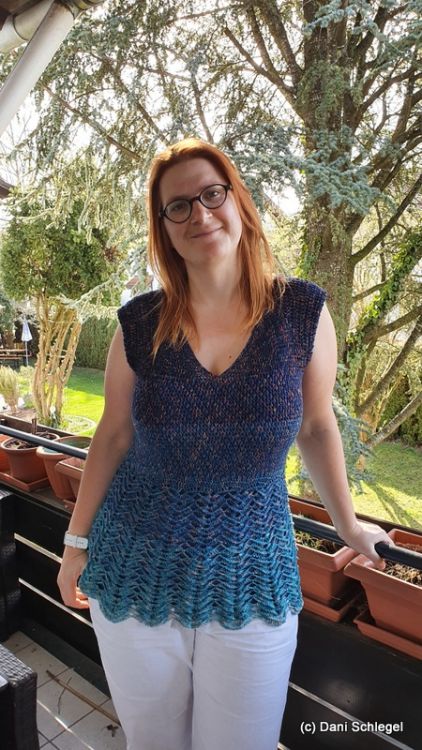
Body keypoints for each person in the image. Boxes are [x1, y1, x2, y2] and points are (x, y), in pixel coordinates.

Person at [57, 138, 392, 750]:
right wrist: (75, 543)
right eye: (178, 206)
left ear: (238, 202)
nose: (200, 213)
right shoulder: (139, 323)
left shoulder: (301, 313)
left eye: (213, 194)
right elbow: (113, 434)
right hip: (134, 568)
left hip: (253, 573)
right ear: (164, 228)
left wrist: (348, 526)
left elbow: (316, 427)